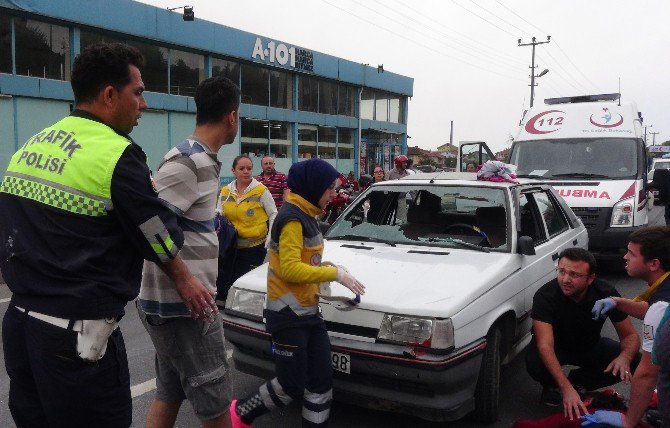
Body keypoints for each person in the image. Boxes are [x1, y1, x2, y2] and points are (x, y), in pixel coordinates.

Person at [0, 43, 216, 427]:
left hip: (20, 326)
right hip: (76, 343)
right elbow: (158, 236)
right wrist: (154, 206)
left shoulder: (34, 144)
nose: (143, 104)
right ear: (109, 95)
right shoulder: (117, 155)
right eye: (138, 92)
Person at [229, 159, 366, 428]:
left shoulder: (308, 215)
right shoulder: (292, 218)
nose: (333, 194)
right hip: (287, 317)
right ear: (314, 187)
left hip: (308, 314)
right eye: (329, 189)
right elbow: (291, 270)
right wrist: (336, 274)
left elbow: (305, 263)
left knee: (321, 381)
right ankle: (240, 414)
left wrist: (326, 271)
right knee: (290, 386)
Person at [137, 76, 240, 427]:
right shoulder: (187, 161)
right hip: (184, 309)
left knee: (170, 392)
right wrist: (185, 281)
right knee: (215, 401)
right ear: (232, 117)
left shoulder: (204, 161)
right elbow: (149, 223)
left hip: (178, 306)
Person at [526, 248, 640, 420]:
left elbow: (630, 336)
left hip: (589, 345)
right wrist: (564, 389)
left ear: (590, 278)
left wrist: (625, 357)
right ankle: (553, 385)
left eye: (574, 275)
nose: (565, 279)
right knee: (535, 364)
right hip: (556, 347)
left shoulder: (605, 293)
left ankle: (578, 382)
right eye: (562, 271)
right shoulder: (545, 296)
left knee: (634, 360)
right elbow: (545, 345)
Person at [586, 226, 670, 428]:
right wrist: (618, 302)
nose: (625, 257)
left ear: (653, 264)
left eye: (631, 254)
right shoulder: (665, 288)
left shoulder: (661, 308)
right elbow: (652, 310)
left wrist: (629, 421)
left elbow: (647, 374)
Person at [219, 155, 277, 296]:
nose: (246, 171)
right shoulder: (225, 191)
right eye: (241, 168)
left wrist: (271, 238)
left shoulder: (261, 190)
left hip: (253, 249)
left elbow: (273, 213)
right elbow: (219, 213)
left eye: (249, 168)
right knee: (226, 283)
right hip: (230, 247)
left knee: (246, 286)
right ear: (234, 171)